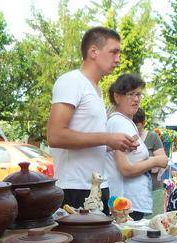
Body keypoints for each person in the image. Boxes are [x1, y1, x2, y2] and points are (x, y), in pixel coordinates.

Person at [47, 27, 138, 215]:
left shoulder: (96, 89)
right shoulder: (72, 81)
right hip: (74, 188)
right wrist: (107, 138)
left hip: (97, 187)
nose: (118, 59)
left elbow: (88, 137)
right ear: (93, 52)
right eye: (113, 52)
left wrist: (115, 144)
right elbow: (55, 136)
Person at [104, 75, 168, 221]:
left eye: (138, 94)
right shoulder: (119, 123)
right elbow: (125, 169)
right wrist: (155, 161)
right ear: (117, 97)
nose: (136, 99)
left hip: (131, 203)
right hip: (125, 204)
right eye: (130, 94)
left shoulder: (124, 122)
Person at [132, 108, 167, 218]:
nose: (135, 128)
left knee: (154, 221)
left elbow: (162, 161)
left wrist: (149, 164)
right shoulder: (127, 137)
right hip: (134, 191)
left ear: (143, 123)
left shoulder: (152, 137)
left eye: (137, 125)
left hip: (153, 189)